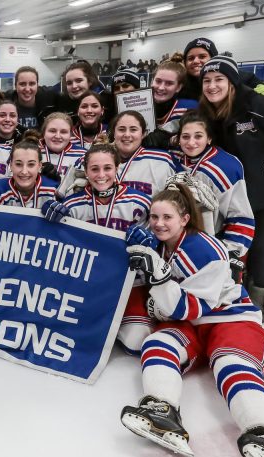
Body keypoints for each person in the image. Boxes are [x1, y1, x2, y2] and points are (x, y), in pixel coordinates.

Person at [119, 183, 264, 457]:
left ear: (185, 219)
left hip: (229, 318)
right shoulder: (160, 244)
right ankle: (162, 409)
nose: (158, 224)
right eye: (154, 217)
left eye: (167, 218)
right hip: (190, 323)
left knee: (230, 362)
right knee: (157, 344)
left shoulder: (206, 249)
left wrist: (159, 276)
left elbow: (187, 308)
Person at [42, 136, 152, 354]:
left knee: (136, 341)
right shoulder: (72, 204)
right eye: (94, 169)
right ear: (85, 170)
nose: (101, 175)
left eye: (107, 168)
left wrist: (150, 240)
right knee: (69, 336)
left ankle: (113, 325)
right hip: (86, 285)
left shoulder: (140, 202)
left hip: (129, 285)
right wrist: (44, 219)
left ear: (117, 168)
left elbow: (157, 238)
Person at [199, 55, 264, 321]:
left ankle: (260, 299)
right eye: (206, 80)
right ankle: (235, 293)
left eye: (219, 79)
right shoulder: (207, 111)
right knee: (231, 244)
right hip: (229, 193)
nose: (212, 86)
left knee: (259, 244)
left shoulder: (261, 105)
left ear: (232, 82)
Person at [174, 111, 254, 271]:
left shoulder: (225, 167)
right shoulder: (175, 159)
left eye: (198, 136)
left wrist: (229, 252)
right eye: (185, 136)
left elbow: (242, 217)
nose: (191, 142)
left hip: (210, 245)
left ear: (209, 138)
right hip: (177, 243)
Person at [180, 37, 264, 100]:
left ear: (213, 58)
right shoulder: (180, 85)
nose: (196, 61)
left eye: (202, 56)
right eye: (190, 58)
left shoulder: (240, 78)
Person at [0, 131, 58, 209]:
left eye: (31, 164)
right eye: (18, 164)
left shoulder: (53, 189)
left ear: (39, 166)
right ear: (10, 165)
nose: (24, 171)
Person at [111, 110, 177, 197]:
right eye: (121, 129)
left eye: (133, 130)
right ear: (114, 133)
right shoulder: (100, 160)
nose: (127, 134)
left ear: (143, 134)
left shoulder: (162, 160)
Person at [39, 112, 87, 177]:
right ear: (43, 133)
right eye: (52, 131)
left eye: (63, 132)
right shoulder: (33, 153)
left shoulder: (84, 155)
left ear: (70, 135)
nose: (58, 136)